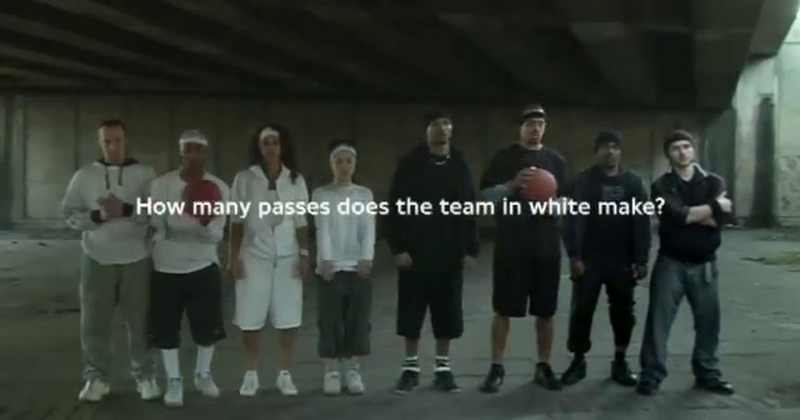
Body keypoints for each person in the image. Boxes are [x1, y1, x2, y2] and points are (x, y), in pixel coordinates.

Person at [61, 119, 159, 402]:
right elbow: (69, 214)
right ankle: (97, 378)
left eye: (117, 140)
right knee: (94, 323)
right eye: (107, 141)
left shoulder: (145, 175)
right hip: (97, 258)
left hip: (137, 258)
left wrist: (126, 209)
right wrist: (97, 216)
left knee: (141, 322)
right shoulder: (84, 176)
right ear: (99, 142)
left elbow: (157, 211)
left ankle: (145, 376)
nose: (113, 146)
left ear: (126, 140)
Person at [387, 112, 480, 394]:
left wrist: (470, 248)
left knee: (447, 313)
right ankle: (410, 368)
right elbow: (395, 206)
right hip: (415, 253)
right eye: (436, 124)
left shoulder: (459, 164)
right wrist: (397, 248)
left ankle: (443, 369)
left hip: (449, 252)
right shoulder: (409, 164)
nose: (443, 128)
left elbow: (468, 207)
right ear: (427, 130)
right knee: (411, 313)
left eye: (447, 123)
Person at [637, 130, 734, 396]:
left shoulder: (713, 181)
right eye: (675, 148)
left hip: (705, 264)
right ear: (668, 155)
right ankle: (651, 375)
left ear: (693, 149)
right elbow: (676, 217)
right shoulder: (661, 186)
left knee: (708, 322)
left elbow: (722, 220)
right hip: (671, 263)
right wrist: (715, 207)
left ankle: (708, 373)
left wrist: (694, 214)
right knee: (658, 322)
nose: (682, 152)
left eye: (686, 146)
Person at [478, 104, 567, 393]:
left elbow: (568, 201)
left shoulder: (555, 160)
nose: (536, 129)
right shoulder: (504, 158)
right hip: (511, 245)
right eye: (530, 124)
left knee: (546, 311)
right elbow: (484, 197)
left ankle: (543, 366)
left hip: (546, 247)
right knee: (503, 309)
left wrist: (553, 207)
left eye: (540, 124)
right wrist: (511, 185)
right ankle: (496, 367)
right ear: (520, 128)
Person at [560, 130, 651, 387]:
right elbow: (572, 220)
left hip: (622, 260)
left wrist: (641, 258)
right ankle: (578, 361)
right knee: (582, 311)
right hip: (589, 260)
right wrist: (574, 255)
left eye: (614, 147)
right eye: (604, 147)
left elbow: (641, 222)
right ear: (596, 152)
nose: (610, 152)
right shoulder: (583, 182)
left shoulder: (633, 183)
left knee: (623, 313)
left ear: (620, 152)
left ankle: (620, 362)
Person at [229, 124, 312, 397]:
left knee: (288, 318)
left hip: (287, 257)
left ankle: (284, 374)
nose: (271, 148)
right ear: (258, 147)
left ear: (282, 146)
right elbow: (237, 221)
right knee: (250, 318)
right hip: (254, 256)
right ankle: (251, 373)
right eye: (266, 142)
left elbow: (301, 222)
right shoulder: (245, 179)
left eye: (275, 142)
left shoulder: (295, 180)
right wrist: (233, 258)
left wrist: (304, 255)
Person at [147, 130, 229, 407]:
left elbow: (216, 234)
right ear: (180, 152)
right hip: (166, 268)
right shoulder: (161, 185)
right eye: (188, 149)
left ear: (206, 153)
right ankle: (174, 380)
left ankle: (203, 374)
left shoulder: (219, 187)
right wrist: (186, 225)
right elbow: (159, 226)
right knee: (166, 329)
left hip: (203, 266)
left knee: (208, 328)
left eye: (198, 149)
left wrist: (200, 220)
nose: (193, 154)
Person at [311, 139, 376, 395]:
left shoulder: (364, 194)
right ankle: (331, 369)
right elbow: (323, 228)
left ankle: (352, 368)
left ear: (354, 164)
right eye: (339, 161)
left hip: (357, 267)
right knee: (330, 320)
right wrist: (326, 259)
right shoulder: (321, 194)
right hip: (331, 268)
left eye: (349, 161)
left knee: (357, 320)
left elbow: (367, 228)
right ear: (332, 165)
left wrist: (367, 257)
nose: (344, 166)